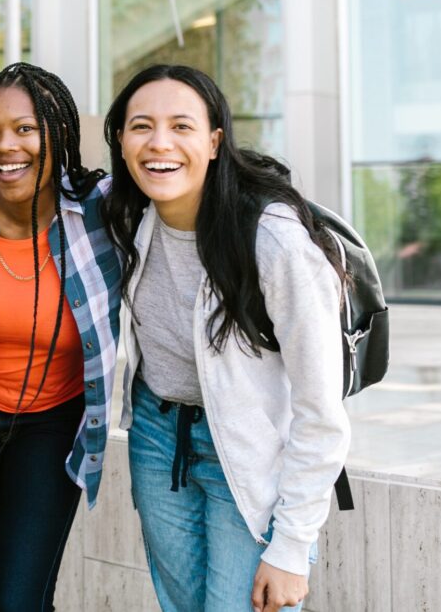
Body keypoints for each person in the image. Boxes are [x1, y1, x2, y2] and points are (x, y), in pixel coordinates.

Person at [101, 64, 350, 612]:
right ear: (120, 141)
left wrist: (291, 546)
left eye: (181, 127)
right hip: (157, 439)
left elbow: (321, 410)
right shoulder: (128, 216)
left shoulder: (273, 242)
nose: (159, 143)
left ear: (214, 142)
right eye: (141, 126)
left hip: (248, 450)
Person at [0, 62, 121, 611]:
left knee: (17, 600)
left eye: (26, 128)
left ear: (57, 132)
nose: (5, 146)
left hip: (53, 427)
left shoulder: (100, 210)